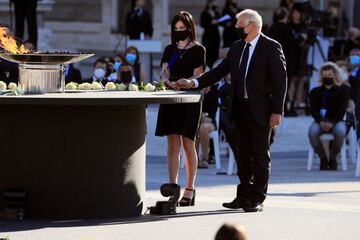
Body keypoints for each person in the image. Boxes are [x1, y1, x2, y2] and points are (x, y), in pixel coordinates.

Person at [174, 9, 287, 212]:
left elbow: (281, 82)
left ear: (252, 26)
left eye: (239, 25)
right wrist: (193, 82)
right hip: (239, 108)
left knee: (260, 155)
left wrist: (277, 111)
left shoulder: (271, 47)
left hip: (261, 110)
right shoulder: (236, 47)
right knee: (242, 155)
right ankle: (243, 196)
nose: (236, 28)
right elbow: (218, 72)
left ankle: (257, 197)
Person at [155, 11, 206, 206]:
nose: (179, 32)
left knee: (188, 144)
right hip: (171, 99)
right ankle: (173, 188)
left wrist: (183, 84)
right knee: (172, 146)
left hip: (189, 100)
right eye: (175, 29)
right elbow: (164, 73)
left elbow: (197, 76)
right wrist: (167, 82)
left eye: (182, 29)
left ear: (190, 28)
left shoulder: (198, 50)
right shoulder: (169, 49)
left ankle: (189, 189)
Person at [308, 62, 348, 171]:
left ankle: (333, 157)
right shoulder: (314, 92)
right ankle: (323, 158)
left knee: (340, 132)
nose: (327, 78)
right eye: (325, 76)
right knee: (312, 132)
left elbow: (342, 109)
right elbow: (313, 110)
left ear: (334, 75)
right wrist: (321, 121)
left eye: (329, 75)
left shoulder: (342, 90)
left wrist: (332, 123)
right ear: (322, 76)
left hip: (336, 121)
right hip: (320, 121)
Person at [268, 7, 297, 116]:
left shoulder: (272, 28)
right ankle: (284, 106)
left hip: (273, 61)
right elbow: (292, 45)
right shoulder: (287, 29)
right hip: (286, 60)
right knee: (286, 85)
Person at [196, 85, 218, 169]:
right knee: (196, 127)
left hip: (210, 120)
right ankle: (195, 159)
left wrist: (203, 116)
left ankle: (205, 158)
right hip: (197, 120)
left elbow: (213, 111)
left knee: (203, 128)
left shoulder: (214, 91)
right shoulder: (195, 90)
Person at [200, 0, 221, 68]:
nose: (213, 4)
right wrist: (210, 23)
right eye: (212, 3)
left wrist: (217, 21)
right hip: (208, 35)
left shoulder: (216, 12)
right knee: (208, 53)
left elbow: (220, 21)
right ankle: (207, 68)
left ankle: (212, 68)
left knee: (215, 53)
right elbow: (202, 24)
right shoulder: (204, 13)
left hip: (216, 35)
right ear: (209, 3)